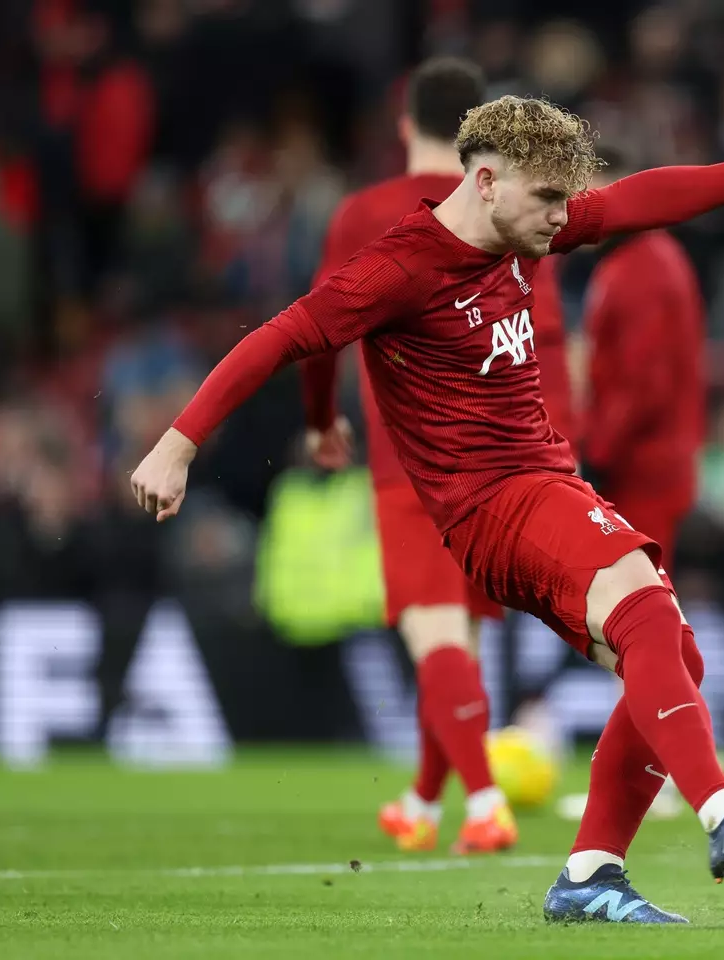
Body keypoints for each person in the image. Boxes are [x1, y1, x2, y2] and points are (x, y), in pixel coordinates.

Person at [130, 95, 724, 925]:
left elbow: (638, 199)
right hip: (493, 503)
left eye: (566, 201)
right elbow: (282, 337)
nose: (562, 219)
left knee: (672, 657)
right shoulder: (400, 269)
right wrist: (179, 442)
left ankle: (591, 874)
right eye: (548, 200)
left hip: (539, 487)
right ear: (486, 180)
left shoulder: (523, 227)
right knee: (640, 599)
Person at [300, 57, 573, 857]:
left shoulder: (364, 213)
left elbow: (316, 335)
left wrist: (321, 421)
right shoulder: (512, 208)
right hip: (511, 457)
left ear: (404, 125)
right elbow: (544, 337)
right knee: (461, 643)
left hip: (408, 459)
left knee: (435, 637)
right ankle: (423, 801)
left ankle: (485, 801)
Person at [564, 144, 710, 823]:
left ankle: (679, 774)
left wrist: (595, 452)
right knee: (651, 626)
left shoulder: (640, 269)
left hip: (642, 468)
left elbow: (642, 385)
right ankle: (684, 769)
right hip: (655, 463)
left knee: (646, 629)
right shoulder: (642, 263)